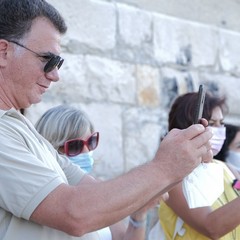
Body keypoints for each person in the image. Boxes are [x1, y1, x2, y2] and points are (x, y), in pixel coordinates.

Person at [0, 0, 213, 239]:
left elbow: (92, 192)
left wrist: (181, 160)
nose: (55, 74)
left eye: (58, 63)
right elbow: (75, 214)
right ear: (4, 52)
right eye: (47, 60)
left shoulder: (21, 128)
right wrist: (164, 167)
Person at [35, 104, 160, 239]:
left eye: (91, 142)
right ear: (52, 147)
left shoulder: (96, 189)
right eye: (75, 146)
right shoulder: (43, 196)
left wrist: (138, 216)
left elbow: (122, 237)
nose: (86, 151)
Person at [158, 91, 240, 239]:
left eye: (221, 123)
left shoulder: (229, 170)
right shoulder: (174, 178)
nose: (219, 130)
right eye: (212, 123)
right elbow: (212, 227)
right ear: (188, 126)